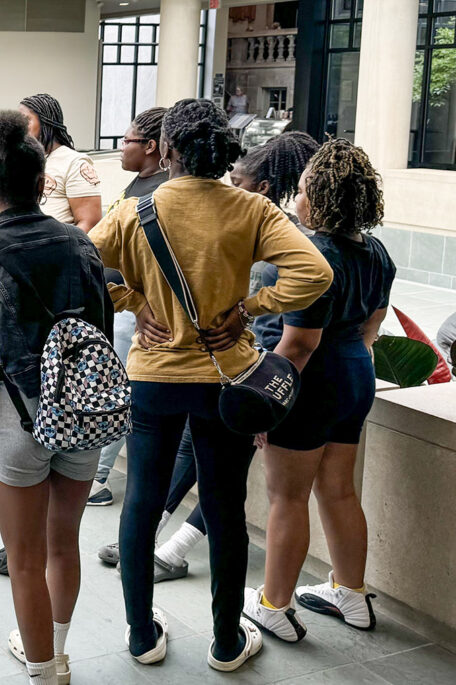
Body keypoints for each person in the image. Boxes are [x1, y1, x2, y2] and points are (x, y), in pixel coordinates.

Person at [89, 98, 332, 672]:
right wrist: (250, 307)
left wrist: (131, 300)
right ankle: (226, 643)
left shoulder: (136, 210)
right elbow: (315, 273)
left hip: (154, 375)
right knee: (224, 508)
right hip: (228, 378)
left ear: (167, 149)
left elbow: (81, 264)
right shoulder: (252, 209)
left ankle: (142, 636)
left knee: (142, 503)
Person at [0, 109, 112, 685]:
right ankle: (57, 648)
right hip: (82, 410)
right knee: (63, 543)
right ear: (44, 183)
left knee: (24, 559)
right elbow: (100, 330)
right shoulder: (81, 248)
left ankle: (46, 672)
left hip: (15, 417)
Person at [243, 139, 396, 643]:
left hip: (311, 380)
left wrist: (265, 404)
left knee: (287, 497)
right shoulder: (377, 252)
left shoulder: (310, 255)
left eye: (304, 186)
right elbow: (371, 329)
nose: (298, 195)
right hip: (355, 374)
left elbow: (298, 345)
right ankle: (351, 594)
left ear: (319, 194)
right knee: (339, 488)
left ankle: (274, 605)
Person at [89, 106, 168, 507]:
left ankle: (97, 478)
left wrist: (138, 306)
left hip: (137, 319)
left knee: (118, 396)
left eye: (127, 140)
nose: (120, 148)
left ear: (151, 146)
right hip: (119, 309)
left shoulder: (161, 191)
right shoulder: (137, 185)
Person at [19, 93, 102, 232]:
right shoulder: (21, 159)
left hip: (54, 249)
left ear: (46, 122)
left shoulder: (74, 163)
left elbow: (90, 224)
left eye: (25, 120)